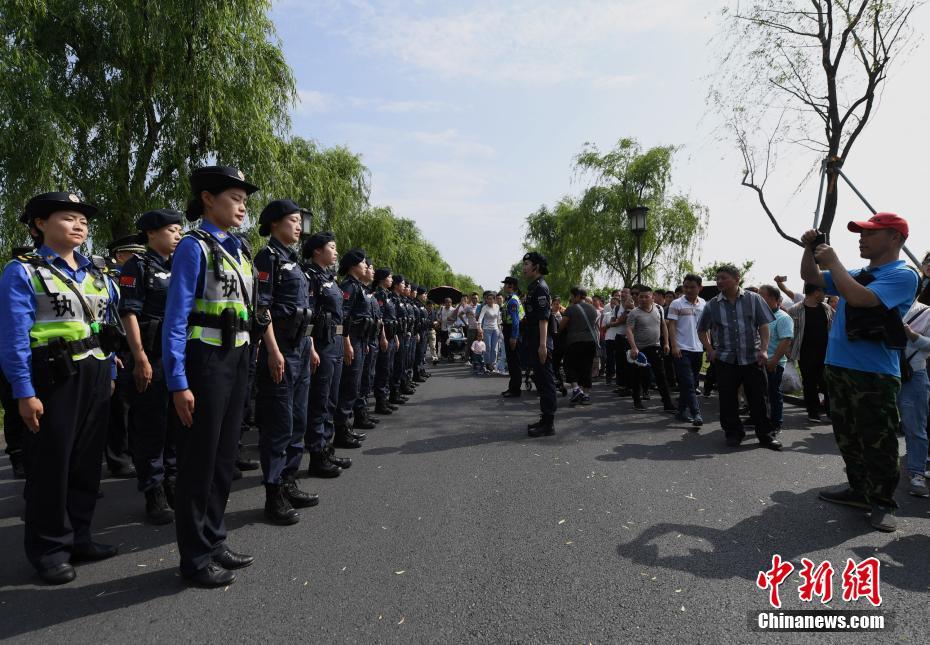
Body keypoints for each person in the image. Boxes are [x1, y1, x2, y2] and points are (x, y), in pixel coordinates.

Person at [0, 192, 121, 585]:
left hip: (97, 371)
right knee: (51, 464)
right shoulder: (23, 271)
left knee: (87, 462)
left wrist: (112, 373)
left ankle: (80, 537)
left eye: (83, 220)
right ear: (39, 224)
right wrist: (23, 391)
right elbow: (14, 337)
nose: (80, 225)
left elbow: (106, 325)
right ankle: (49, 549)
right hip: (53, 376)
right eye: (69, 218)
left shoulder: (97, 273)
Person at [163, 166, 259, 587]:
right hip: (206, 361)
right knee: (199, 460)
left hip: (237, 357)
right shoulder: (192, 246)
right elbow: (176, 318)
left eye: (244, 200)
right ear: (207, 198)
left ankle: (214, 537)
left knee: (223, 457)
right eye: (234, 198)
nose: (242, 207)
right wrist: (178, 381)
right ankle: (195, 557)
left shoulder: (239, 250)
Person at [800, 214, 918, 532]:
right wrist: (809, 249)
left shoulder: (904, 275)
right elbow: (810, 277)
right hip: (838, 366)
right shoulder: (855, 272)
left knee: (878, 441)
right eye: (860, 233)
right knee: (847, 436)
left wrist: (834, 260)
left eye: (869, 233)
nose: (861, 238)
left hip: (874, 373)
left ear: (895, 238)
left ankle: (882, 502)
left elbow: (860, 298)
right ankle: (858, 490)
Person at [253, 199, 320, 526]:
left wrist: (310, 345)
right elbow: (261, 309)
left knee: (298, 419)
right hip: (279, 350)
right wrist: (273, 351)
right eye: (293, 220)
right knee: (278, 424)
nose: (298, 226)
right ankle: (273, 492)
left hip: (300, 349)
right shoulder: (268, 258)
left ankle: (289, 480)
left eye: (299, 221)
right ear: (275, 223)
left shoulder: (294, 261)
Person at [118, 209, 182, 525]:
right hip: (151, 356)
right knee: (150, 426)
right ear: (153, 234)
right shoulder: (137, 266)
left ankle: (172, 481)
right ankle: (153, 489)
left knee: (174, 424)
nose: (179, 235)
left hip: (176, 357)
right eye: (173, 229)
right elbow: (129, 313)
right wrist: (140, 357)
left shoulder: (179, 267)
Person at [697, 265, 782, 451]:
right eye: (717, 278)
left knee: (759, 398)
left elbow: (763, 325)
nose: (719, 281)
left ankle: (765, 435)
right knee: (728, 399)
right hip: (726, 360)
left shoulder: (754, 299)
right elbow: (701, 329)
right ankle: (733, 433)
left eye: (723, 278)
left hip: (753, 358)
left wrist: (765, 349)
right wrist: (710, 349)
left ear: (737, 279)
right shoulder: (712, 305)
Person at [303, 232, 351, 478]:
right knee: (319, 400)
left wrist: (344, 342)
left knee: (331, 398)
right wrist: (310, 346)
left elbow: (340, 319)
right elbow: (308, 315)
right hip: (320, 344)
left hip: (334, 343)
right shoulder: (310, 277)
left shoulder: (331, 280)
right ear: (317, 251)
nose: (335, 252)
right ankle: (316, 453)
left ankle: (327, 447)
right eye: (331, 247)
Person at [333, 248, 372, 450]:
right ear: (353, 266)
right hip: (352, 338)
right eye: (363, 263)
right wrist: (347, 343)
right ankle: (341, 430)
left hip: (360, 338)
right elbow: (344, 316)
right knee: (348, 385)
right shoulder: (349, 285)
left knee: (353, 384)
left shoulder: (357, 286)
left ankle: (345, 427)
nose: (366, 266)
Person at [521, 253, 558, 436]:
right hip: (535, 339)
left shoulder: (541, 288)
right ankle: (544, 418)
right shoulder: (534, 286)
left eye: (527, 264)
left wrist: (543, 345)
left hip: (541, 341)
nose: (524, 267)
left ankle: (549, 423)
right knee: (541, 381)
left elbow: (544, 319)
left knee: (546, 381)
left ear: (535, 266)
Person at [786, 283, 833, 422]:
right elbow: (789, 332)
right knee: (810, 383)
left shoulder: (826, 308)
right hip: (804, 352)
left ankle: (831, 412)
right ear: (816, 291)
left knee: (827, 382)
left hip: (826, 351)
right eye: (823, 291)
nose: (825, 295)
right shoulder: (795, 309)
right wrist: (788, 349)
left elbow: (835, 324)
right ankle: (813, 412)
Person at [898, 299, 930, 497]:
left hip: (913, 375)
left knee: (914, 426)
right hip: (880, 372)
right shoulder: (883, 305)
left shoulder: (926, 312)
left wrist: (911, 334)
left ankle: (916, 473)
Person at [625, 286, 675, 412]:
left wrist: (667, 343)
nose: (642, 299)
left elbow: (663, 325)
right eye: (640, 296)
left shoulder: (659, 309)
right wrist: (634, 348)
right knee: (638, 376)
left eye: (646, 296)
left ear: (652, 297)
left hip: (656, 347)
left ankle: (667, 404)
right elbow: (629, 330)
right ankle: (637, 401)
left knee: (661, 376)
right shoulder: (634, 313)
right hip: (640, 349)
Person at [667, 274, 706, 427]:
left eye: (692, 287)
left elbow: (705, 328)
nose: (688, 290)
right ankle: (696, 413)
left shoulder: (704, 304)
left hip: (698, 349)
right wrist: (674, 346)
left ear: (700, 288)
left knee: (689, 382)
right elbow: (671, 326)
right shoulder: (677, 303)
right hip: (681, 349)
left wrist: (707, 347)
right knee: (689, 383)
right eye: (686, 287)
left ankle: (681, 410)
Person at [759, 285, 794, 432]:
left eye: (761, 296)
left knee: (774, 393)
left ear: (772, 298)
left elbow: (785, 341)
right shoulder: (760, 316)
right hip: (760, 362)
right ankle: (760, 419)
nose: (758, 298)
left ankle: (776, 423)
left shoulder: (783, 317)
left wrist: (774, 360)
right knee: (760, 393)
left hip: (774, 363)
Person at [559, 286, 599, 406]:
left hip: (575, 342)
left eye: (572, 296)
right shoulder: (593, 309)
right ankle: (586, 396)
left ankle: (576, 389)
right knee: (586, 368)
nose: (571, 298)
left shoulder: (571, 309)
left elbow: (561, 326)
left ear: (576, 296)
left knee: (568, 365)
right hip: (591, 342)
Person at [372, 268, 398, 415]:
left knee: (388, 368)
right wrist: (382, 337)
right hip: (384, 337)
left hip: (391, 336)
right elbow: (380, 319)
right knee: (382, 370)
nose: (391, 280)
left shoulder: (388, 295)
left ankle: (385, 400)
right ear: (382, 279)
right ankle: (380, 402)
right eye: (389, 277)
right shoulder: (379, 294)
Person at [500, 277, 524, 397]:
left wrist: (513, 337)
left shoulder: (513, 301)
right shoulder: (510, 299)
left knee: (514, 362)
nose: (504, 287)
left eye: (506, 285)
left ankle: (515, 389)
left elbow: (515, 321)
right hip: (509, 330)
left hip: (512, 332)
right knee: (512, 361)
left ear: (511, 286)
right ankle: (512, 386)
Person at [477, 291, 501, 372]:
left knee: (494, 348)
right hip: (487, 329)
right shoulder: (485, 307)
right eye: (488, 299)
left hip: (495, 329)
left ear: (494, 300)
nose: (489, 300)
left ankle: (493, 363)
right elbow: (480, 318)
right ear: (486, 300)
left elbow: (498, 319)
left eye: (491, 299)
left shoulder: (497, 306)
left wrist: (500, 328)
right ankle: (487, 363)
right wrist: (479, 328)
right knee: (488, 347)